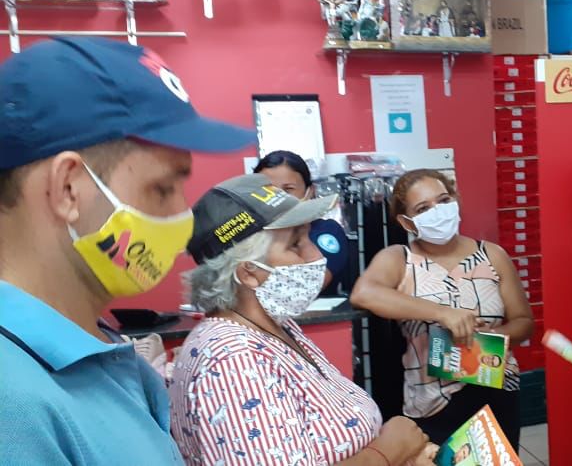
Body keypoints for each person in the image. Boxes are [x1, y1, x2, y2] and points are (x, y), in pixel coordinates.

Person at [0, 37, 256, 464]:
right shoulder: (15, 409)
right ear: (68, 188)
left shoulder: (94, 349)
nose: (182, 217)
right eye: (163, 188)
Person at [170, 174, 435, 466]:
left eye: (308, 236)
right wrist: (389, 450)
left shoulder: (275, 326)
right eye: (296, 244)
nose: (316, 254)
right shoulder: (233, 360)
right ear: (249, 273)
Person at [350, 169, 534, 447]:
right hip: (431, 403)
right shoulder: (399, 259)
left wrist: (486, 341)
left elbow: (523, 321)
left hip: (495, 387)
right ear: (407, 222)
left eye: (444, 200)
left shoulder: (492, 255)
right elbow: (364, 294)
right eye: (423, 208)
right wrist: (443, 313)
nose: (437, 211)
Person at [253, 150, 351, 295]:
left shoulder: (327, 231)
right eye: (268, 191)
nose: (278, 197)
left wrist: (298, 234)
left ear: (310, 191)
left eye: (288, 189)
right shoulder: (245, 234)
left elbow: (307, 288)